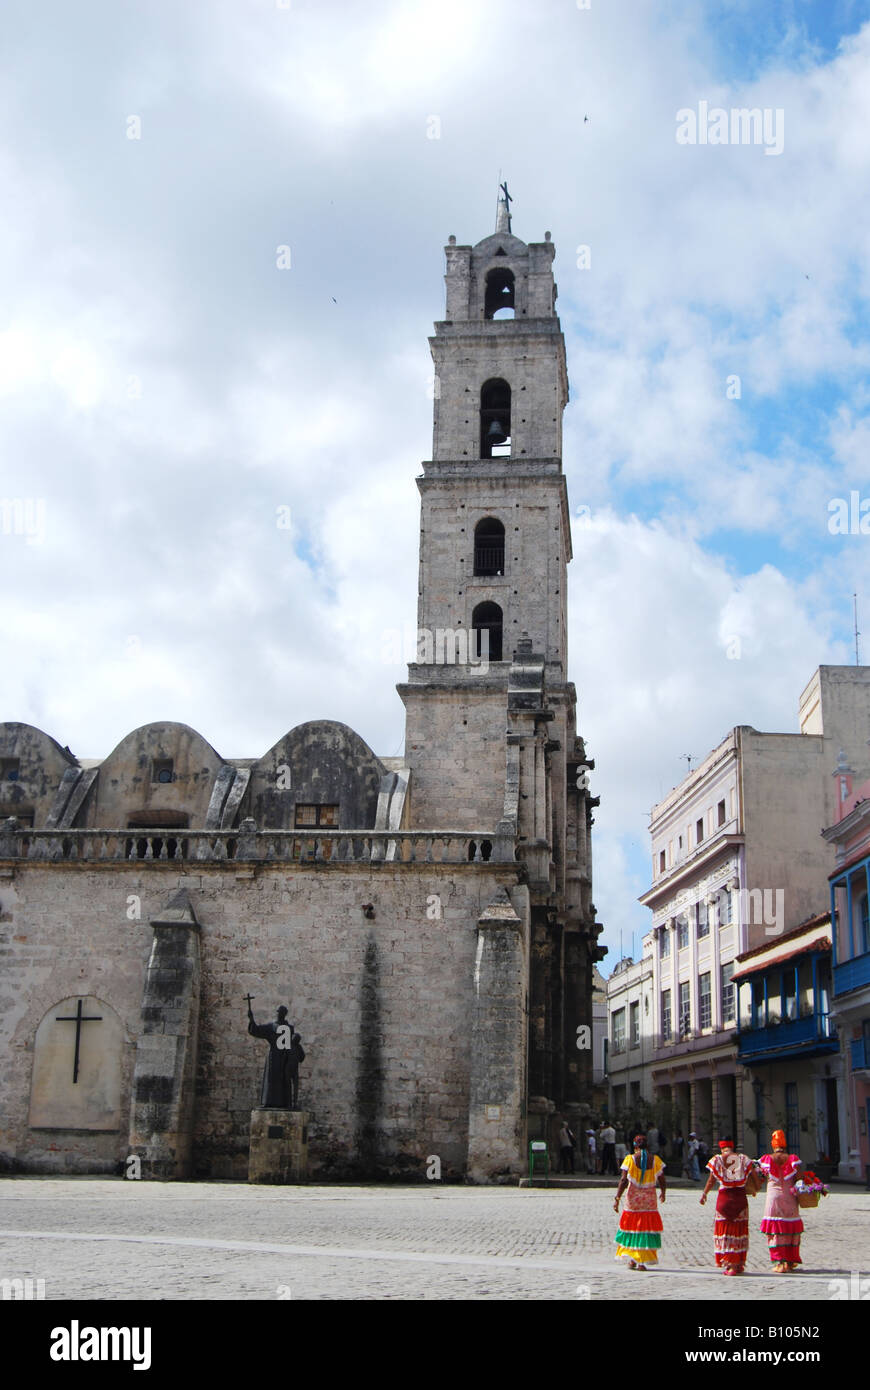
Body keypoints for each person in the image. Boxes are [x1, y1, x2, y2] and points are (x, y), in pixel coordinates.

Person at [700, 1137, 757, 1276]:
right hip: (740, 1200)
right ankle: (738, 1264)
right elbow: (755, 1178)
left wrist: (704, 1194)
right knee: (739, 1231)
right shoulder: (743, 1159)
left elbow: (711, 1180)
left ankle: (730, 1264)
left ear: (721, 1148)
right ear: (733, 1147)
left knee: (726, 1233)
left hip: (724, 1200)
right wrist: (754, 1189)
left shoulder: (717, 1160)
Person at [613, 1134, 667, 1269]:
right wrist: (663, 1192)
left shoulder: (629, 1159)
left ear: (635, 1146)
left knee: (632, 1228)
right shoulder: (655, 1160)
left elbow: (624, 1180)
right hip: (649, 1201)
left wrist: (617, 1198)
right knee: (645, 1229)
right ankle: (642, 1261)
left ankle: (632, 1259)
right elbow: (662, 1179)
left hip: (633, 1200)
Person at [758, 1129, 804, 1272]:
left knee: (775, 1230)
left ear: (773, 1144)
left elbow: (760, 1178)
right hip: (789, 1196)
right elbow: (800, 1178)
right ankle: (790, 1262)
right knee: (791, 1229)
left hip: (773, 1198)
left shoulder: (767, 1159)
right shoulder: (792, 1159)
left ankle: (779, 1263)